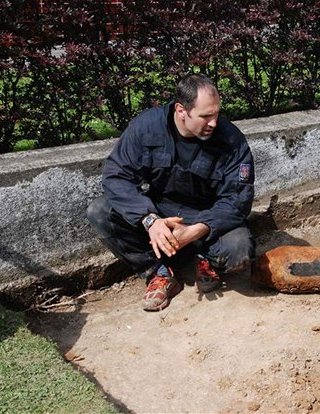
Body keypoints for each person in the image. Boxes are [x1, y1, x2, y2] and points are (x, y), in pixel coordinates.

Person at [86, 74, 255, 311]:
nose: (214, 123)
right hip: (160, 213)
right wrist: (149, 219)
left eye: (216, 113)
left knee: (238, 248)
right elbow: (116, 176)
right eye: (206, 116)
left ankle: (205, 260)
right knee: (100, 211)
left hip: (207, 216)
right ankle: (159, 272)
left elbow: (239, 198)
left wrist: (196, 230)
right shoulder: (146, 127)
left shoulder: (231, 139)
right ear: (181, 110)